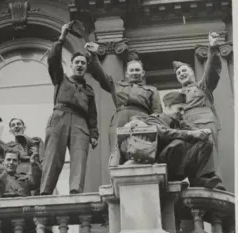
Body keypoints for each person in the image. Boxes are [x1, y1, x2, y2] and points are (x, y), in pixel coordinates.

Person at [40, 22, 99, 195]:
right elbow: (53, 60)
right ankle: (45, 192)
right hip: (60, 117)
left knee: (79, 158)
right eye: (77, 62)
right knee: (53, 157)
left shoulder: (89, 90)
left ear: (86, 67)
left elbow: (93, 115)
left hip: (81, 123)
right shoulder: (61, 78)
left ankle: (75, 192)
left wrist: (94, 134)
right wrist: (61, 37)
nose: (80, 65)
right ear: (71, 65)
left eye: (83, 62)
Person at [123, 92, 224, 190]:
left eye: (184, 110)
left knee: (205, 141)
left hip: (178, 166)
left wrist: (202, 132)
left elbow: (194, 132)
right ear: (168, 106)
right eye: (180, 109)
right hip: (161, 164)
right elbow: (163, 133)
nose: (182, 113)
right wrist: (189, 134)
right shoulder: (155, 118)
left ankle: (202, 179)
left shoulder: (181, 124)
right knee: (179, 143)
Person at [85, 42, 162, 167]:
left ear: (143, 73)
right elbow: (101, 75)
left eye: (137, 70)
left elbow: (157, 114)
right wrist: (93, 55)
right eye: (132, 70)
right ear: (127, 73)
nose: (134, 72)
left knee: (140, 152)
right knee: (116, 153)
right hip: (119, 119)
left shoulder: (151, 90)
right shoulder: (116, 85)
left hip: (142, 120)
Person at [173, 31, 223, 183]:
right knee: (191, 154)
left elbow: (211, 70)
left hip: (204, 121)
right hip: (186, 127)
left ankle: (213, 181)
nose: (181, 74)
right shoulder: (176, 96)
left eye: (184, 71)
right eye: (178, 73)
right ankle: (198, 181)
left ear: (192, 73)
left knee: (209, 151)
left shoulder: (202, 86)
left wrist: (213, 48)